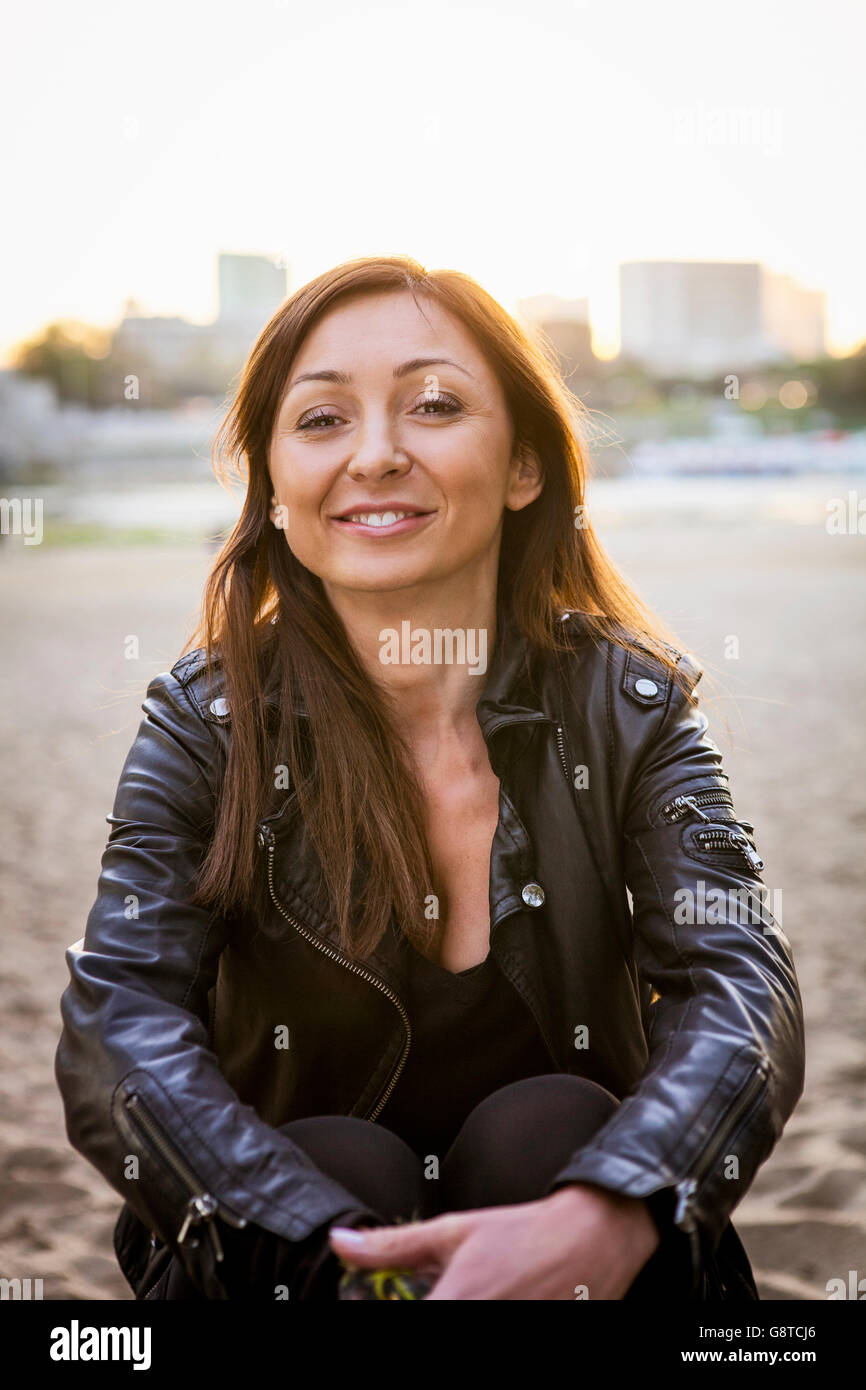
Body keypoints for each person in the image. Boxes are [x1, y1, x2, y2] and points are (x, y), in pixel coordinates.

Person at [55, 254, 805, 1301]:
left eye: (435, 405)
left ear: (523, 468)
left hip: (577, 1244)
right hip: (280, 1259)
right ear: (273, 489)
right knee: (333, 1159)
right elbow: (116, 1024)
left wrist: (621, 1201)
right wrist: (323, 1242)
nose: (374, 455)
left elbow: (738, 984)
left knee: (552, 1124)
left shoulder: (626, 706)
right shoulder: (204, 720)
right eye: (320, 421)